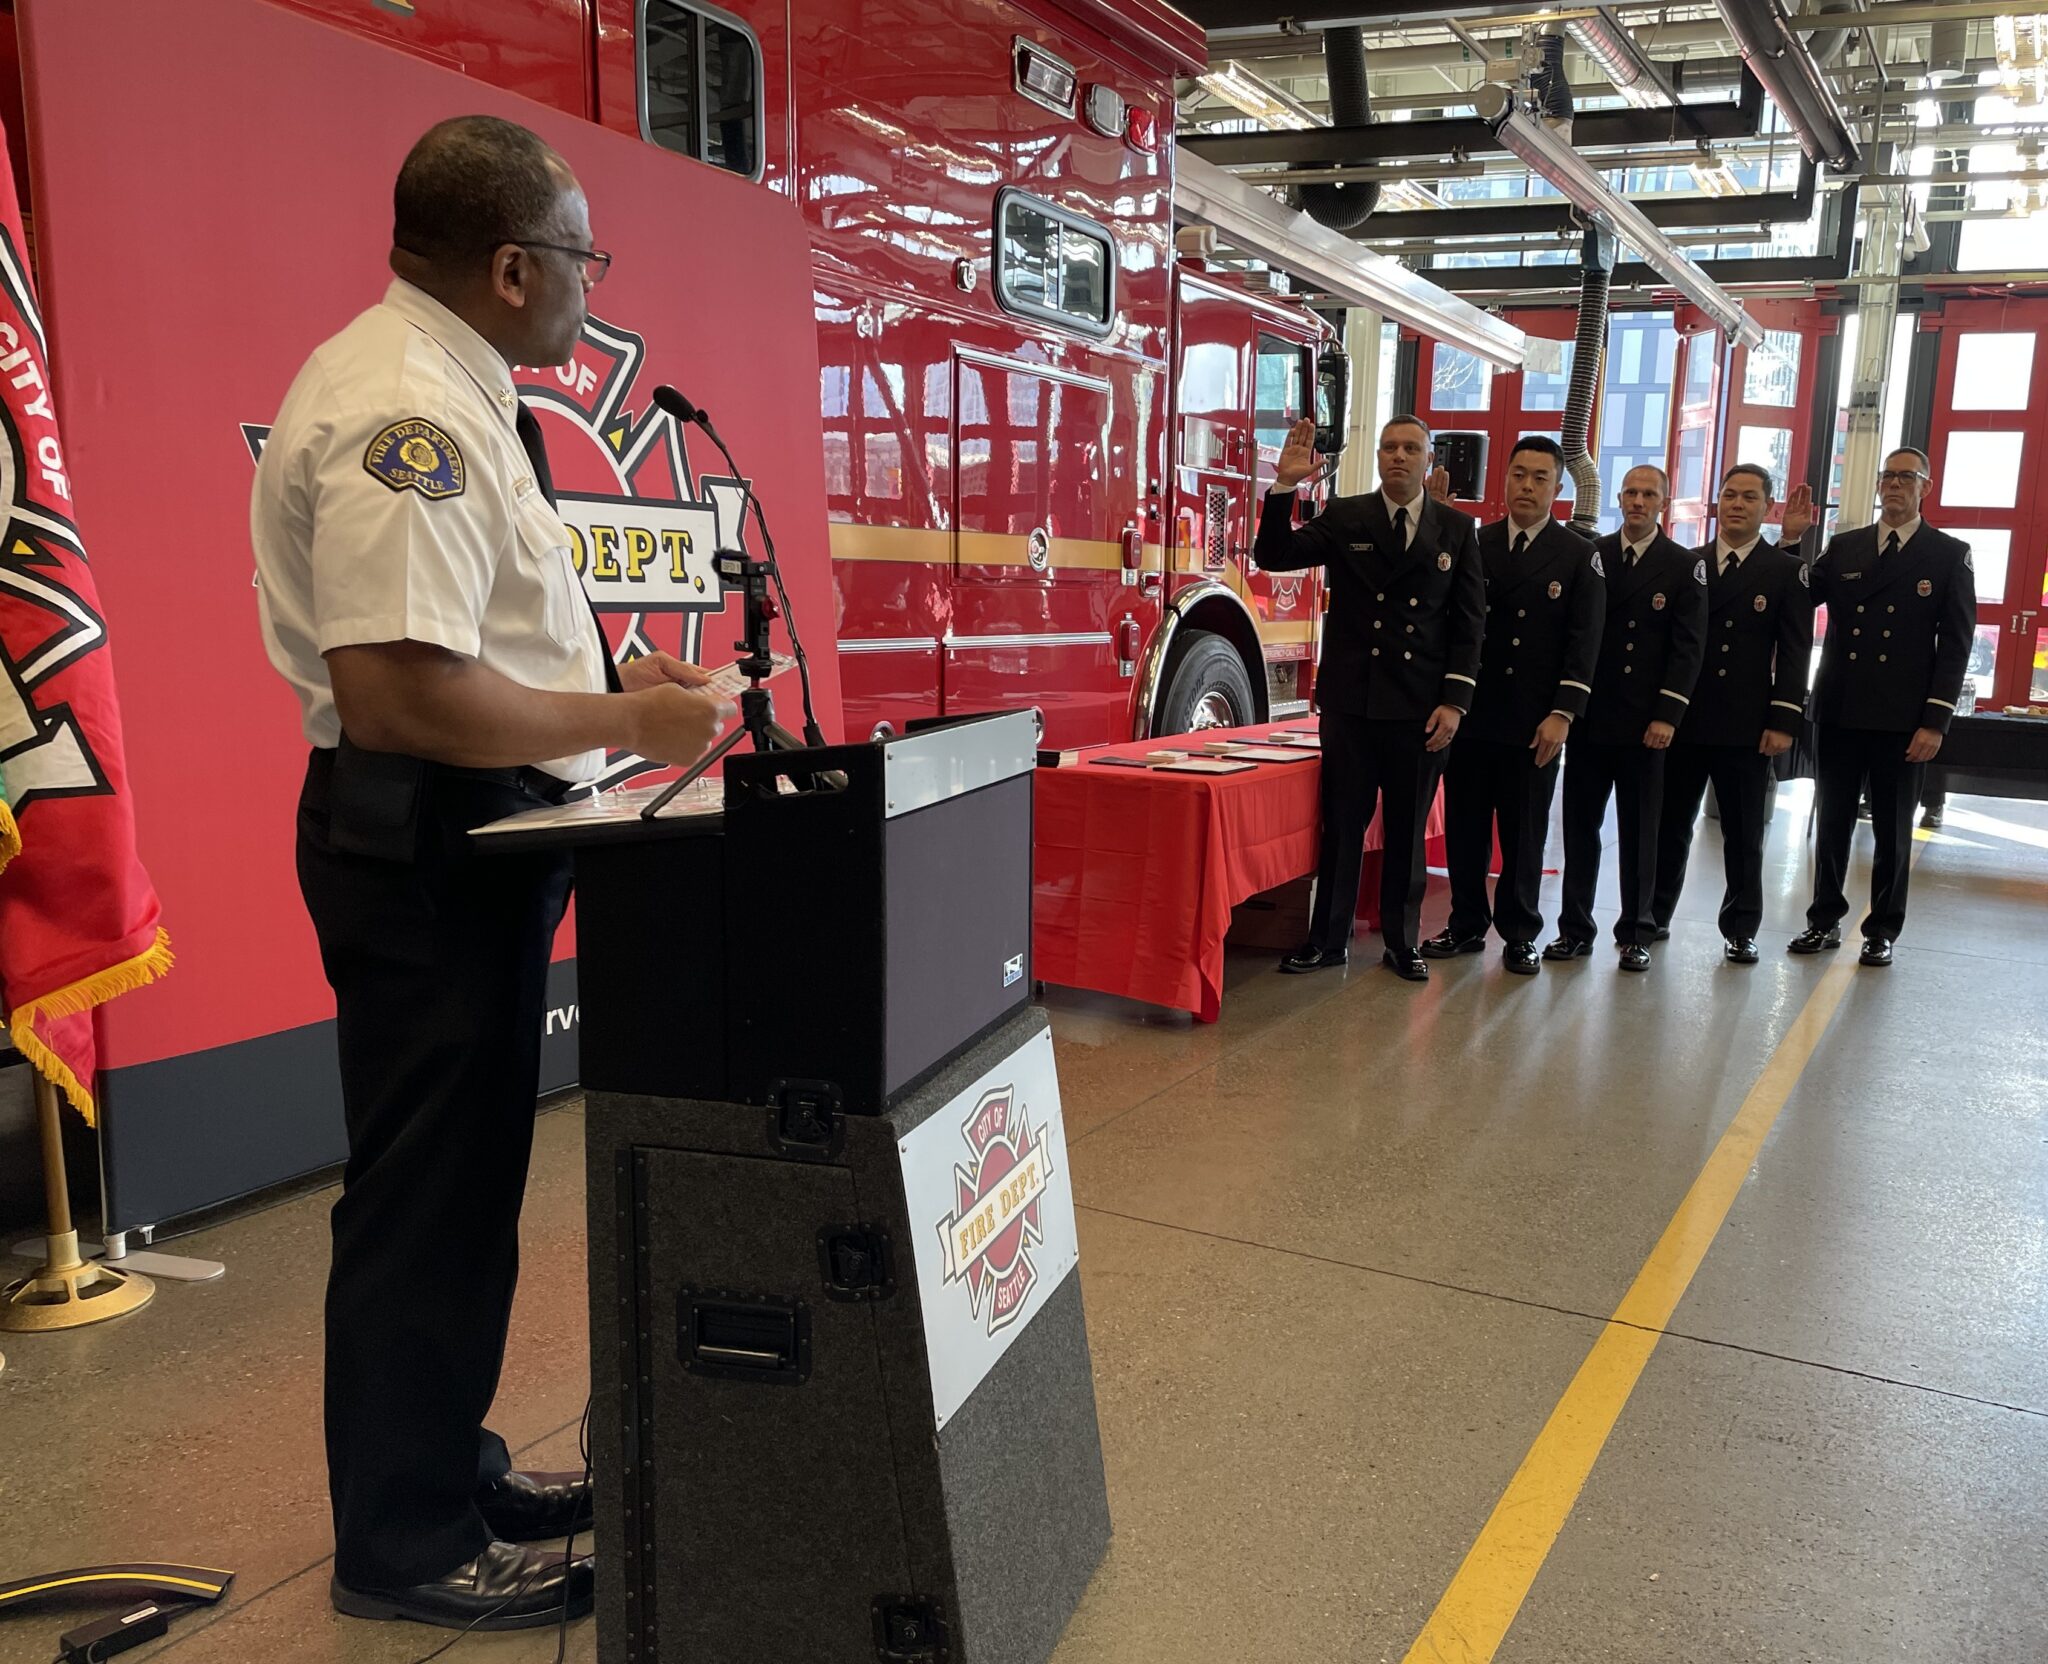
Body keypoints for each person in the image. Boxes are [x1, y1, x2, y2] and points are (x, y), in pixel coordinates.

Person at [251, 116, 733, 1631]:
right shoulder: (409, 409)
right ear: (516, 266)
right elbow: (399, 690)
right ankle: (404, 1543)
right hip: (431, 845)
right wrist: (629, 725)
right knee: (427, 1198)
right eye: (587, 257)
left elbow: (480, 635)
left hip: (470, 834)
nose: (595, 284)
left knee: (463, 1190)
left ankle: (447, 1473)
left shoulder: (454, 384)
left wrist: (607, 681)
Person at [1253, 415, 1484, 982]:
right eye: (1388, 448)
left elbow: (1468, 623)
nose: (1398, 456)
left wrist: (1455, 701)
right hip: (1352, 704)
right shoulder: (1347, 515)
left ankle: (1402, 944)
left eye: (1410, 448)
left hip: (1419, 709)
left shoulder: (1456, 529)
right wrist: (1284, 486)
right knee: (1342, 826)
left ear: (1428, 460)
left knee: (1406, 833)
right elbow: (1274, 554)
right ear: (1378, 457)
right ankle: (1327, 940)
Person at [1782, 448, 1975, 966]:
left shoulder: (1948, 554)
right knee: (1832, 823)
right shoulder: (1846, 547)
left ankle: (1882, 929)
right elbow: (1798, 598)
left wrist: (1935, 720)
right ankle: (1823, 919)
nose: (1893, 485)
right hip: (1841, 708)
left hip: (1903, 719)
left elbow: (1955, 646)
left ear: (1925, 487)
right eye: (1887, 476)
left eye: (1905, 477)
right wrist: (1792, 541)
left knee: (1892, 829)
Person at [1421, 436, 1603, 977]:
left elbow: (1584, 642)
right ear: (1505, 479)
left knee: (1524, 833)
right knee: (1466, 827)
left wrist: (1563, 713)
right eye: (1518, 474)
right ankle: (1465, 923)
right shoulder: (1476, 542)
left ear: (1558, 487)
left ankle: (1521, 932)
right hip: (1474, 712)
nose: (1527, 486)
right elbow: (1447, 621)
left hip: (1534, 720)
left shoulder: (1578, 554)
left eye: (1540, 478)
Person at [1650, 463, 1812, 963]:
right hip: (1687, 719)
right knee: (1670, 826)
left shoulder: (1783, 570)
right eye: (1729, 495)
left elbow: (1794, 652)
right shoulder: (1690, 563)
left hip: (1747, 724)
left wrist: (1783, 720)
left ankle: (1741, 928)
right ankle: (1653, 916)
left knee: (1743, 834)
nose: (1737, 504)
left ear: (1767, 507)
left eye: (1749, 497)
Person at [1549, 464, 1706, 971]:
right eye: (1631, 493)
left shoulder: (1683, 566)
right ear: (1619, 498)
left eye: (1648, 494)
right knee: (1580, 829)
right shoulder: (1592, 555)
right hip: (1592, 718)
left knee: (1641, 833)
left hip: (1645, 726)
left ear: (1663, 503)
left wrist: (1668, 715)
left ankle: (1638, 930)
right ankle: (1575, 929)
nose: (1638, 502)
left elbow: (1688, 650)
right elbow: (1574, 635)